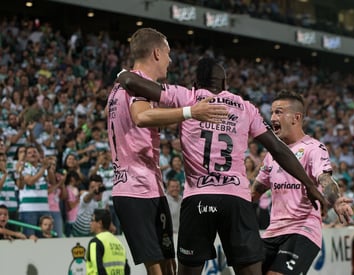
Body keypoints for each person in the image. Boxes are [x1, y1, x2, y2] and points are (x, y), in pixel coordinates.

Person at [117, 57, 328, 275]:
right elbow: (278, 148)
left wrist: (121, 74)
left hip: (199, 198)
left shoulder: (187, 96)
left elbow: (131, 82)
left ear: (196, 82)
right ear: (225, 83)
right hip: (236, 200)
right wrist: (309, 184)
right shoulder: (245, 107)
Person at [107, 28, 228, 275]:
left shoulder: (122, 85)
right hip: (136, 189)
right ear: (156, 53)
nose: (171, 60)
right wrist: (190, 112)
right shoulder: (138, 84)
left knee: (168, 267)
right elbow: (140, 117)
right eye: (168, 54)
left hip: (146, 185)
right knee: (159, 271)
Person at [250, 90, 354, 275]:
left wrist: (336, 200)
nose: (273, 117)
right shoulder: (272, 155)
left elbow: (325, 179)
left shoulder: (314, 148)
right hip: (273, 231)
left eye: (279, 112)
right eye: (273, 112)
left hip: (302, 229)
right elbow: (255, 191)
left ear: (296, 118)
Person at [86, 209, 130, 275]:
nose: (90, 223)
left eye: (92, 220)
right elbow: (127, 269)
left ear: (100, 223)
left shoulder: (95, 242)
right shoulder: (119, 243)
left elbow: (98, 269)